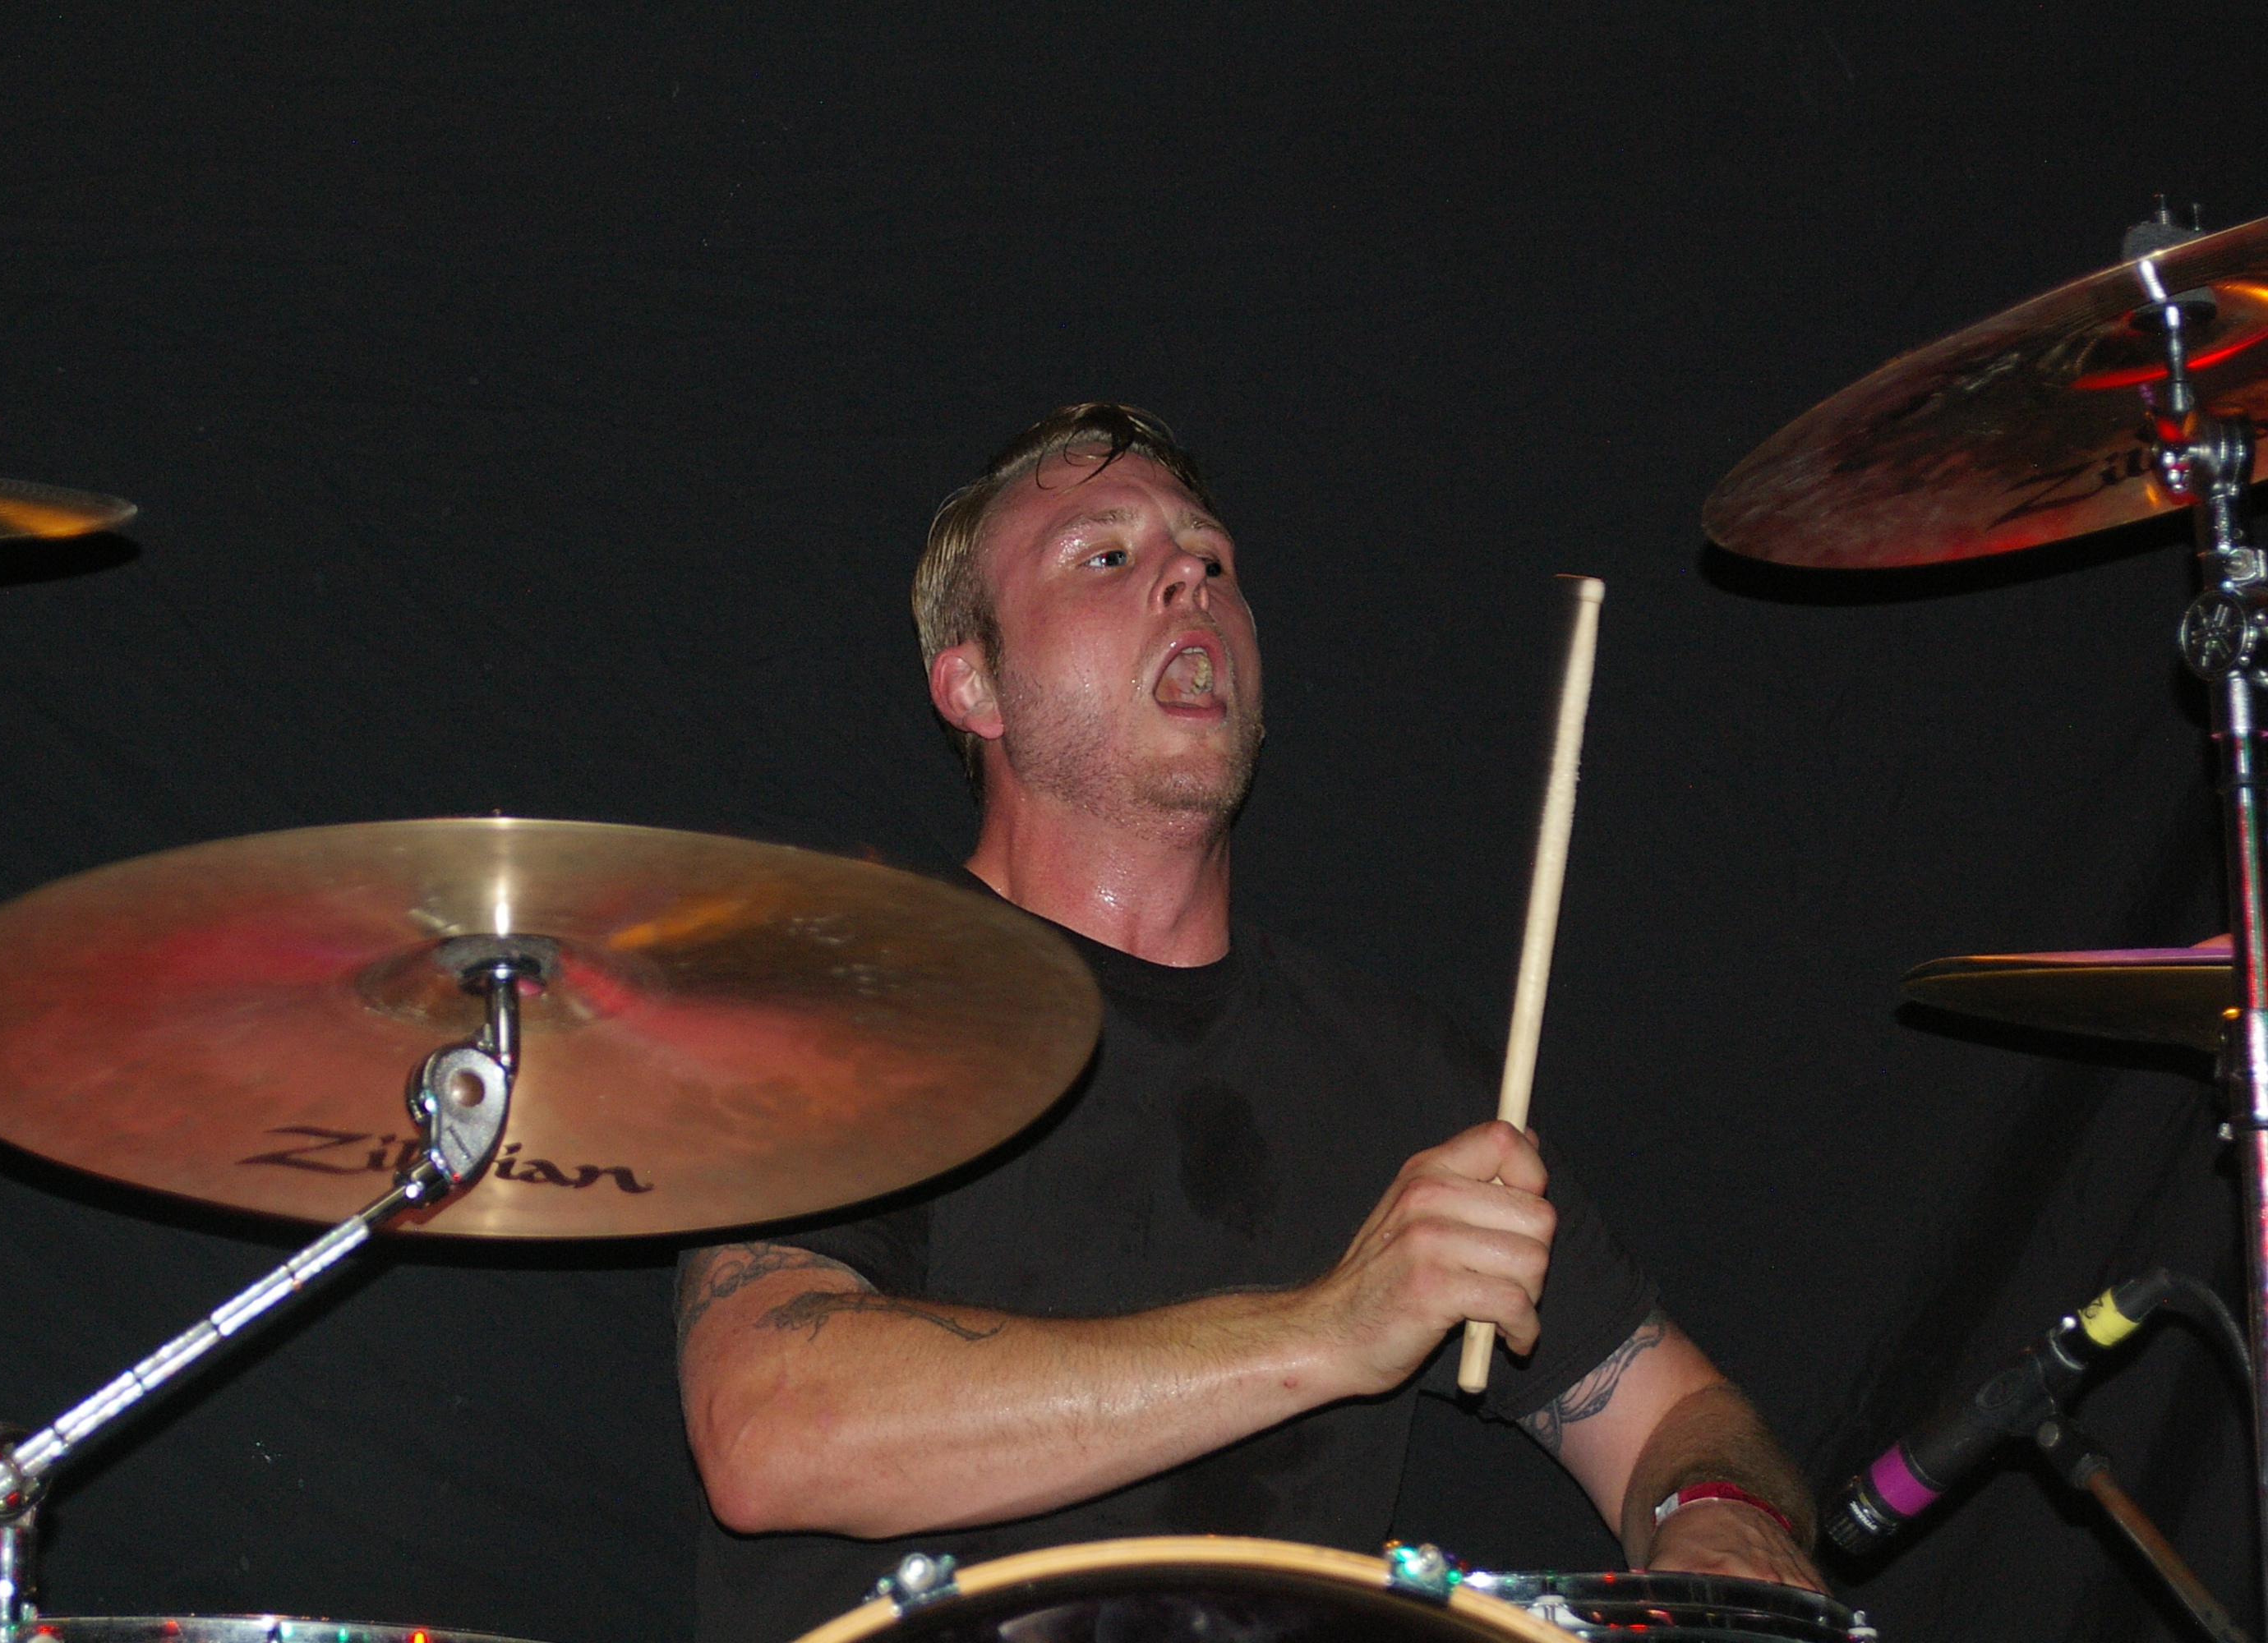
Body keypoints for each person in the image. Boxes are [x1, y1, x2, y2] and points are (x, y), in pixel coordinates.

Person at [674, 404, 1823, 1642]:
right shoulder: (848, 992)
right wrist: (1329, 1329)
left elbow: (1670, 1414)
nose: (1189, 576)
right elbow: (769, 1429)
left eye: (1212, 559)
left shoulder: (1401, 1075)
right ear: (974, 684)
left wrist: (1720, 1521)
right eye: (1106, 555)